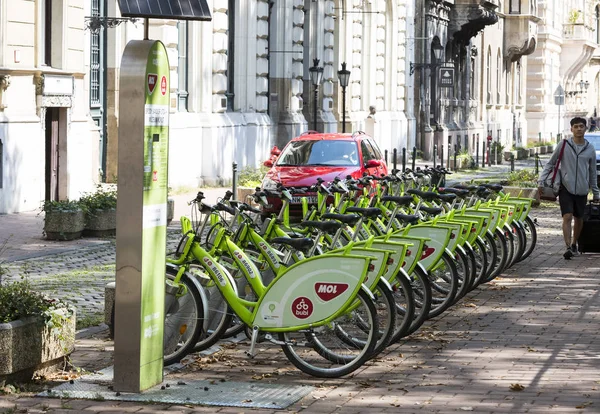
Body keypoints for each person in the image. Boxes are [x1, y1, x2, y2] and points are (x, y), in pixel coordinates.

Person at [538, 117, 600, 259]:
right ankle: (567, 246)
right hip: (565, 187)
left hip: (583, 189)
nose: (579, 129)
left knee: (579, 218)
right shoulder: (564, 144)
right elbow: (550, 163)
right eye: (576, 126)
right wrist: (541, 181)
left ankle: (574, 244)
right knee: (567, 216)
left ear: (585, 128)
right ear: (571, 129)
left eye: (581, 126)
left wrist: (596, 192)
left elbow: (592, 172)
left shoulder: (590, 148)